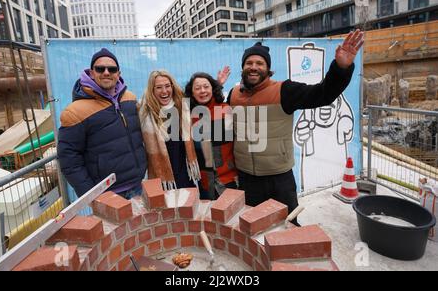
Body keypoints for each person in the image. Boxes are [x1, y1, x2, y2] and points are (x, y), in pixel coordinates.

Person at [227, 30, 364, 225]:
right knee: (253, 226)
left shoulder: (284, 90)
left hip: (278, 178)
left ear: (268, 68)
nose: (253, 67)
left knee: (287, 227)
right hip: (247, 178)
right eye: (249, 63)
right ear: (243, 67)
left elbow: (323, 93)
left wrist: (341, 68)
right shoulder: (233, 95)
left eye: (259, 63)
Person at [58, 48, 147, 199]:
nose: (106, 72)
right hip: (107, 194)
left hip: (137, 184)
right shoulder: (74, 112)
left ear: (118, 73)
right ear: (92, 73)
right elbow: (69, 160)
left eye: (112, 69)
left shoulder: (129, 98)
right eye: (100, 69)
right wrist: (91, 195)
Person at [139, 70, 200, 190]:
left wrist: (218, 83)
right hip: (162, 179)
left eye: (167, 86)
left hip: (184, 175)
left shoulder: (181, 106)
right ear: (152, 90)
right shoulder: (144, 112)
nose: (164, 91)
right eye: (159, 87)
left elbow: (203, 96)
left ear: (172, 86)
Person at [185, 69, 238, 200]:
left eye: (206, 87)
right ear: (192, 93)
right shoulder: (188, 116)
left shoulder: (226, 109)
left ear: (212, 89)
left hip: (230, 178)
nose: (202, 91)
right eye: (197, 88)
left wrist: (218, 84)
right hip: (205, 182)